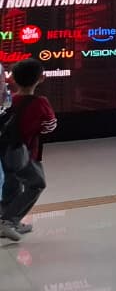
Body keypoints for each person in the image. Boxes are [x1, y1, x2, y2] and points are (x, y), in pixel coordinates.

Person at [0, 59, 57, 241]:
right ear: (41, 78)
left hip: (5, 150)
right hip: (27, 152)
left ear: (13, 79)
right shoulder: (40, 102)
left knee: (12, 185)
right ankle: (8, 221)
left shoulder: (9, 100)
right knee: (37, 184)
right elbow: (50, 125)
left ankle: (8, 220)